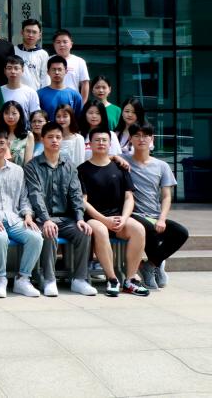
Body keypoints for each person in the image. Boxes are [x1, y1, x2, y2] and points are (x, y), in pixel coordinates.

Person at [24, 122, 96, 297]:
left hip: (66, 218)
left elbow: (76, 194)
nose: (54, 140)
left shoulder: (69, 166)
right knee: (50, 231)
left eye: (58, 137)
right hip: (41, 219)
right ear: (42, 139)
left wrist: (80, 218)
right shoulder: (32, 166)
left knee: (84, 231)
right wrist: (46, 219)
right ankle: (49, 279)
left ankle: (79, 279)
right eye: (50, 137)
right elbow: (35, 195)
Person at [78, 128, 149, 297]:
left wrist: (124, 218)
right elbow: (83, 201)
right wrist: (104, 220)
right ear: (90, 144)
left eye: (104, 140)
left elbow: (129, 197)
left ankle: (130, 280)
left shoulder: (120, 167)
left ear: (110, 144)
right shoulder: (82, 170)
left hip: (118, 217)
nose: (101, 143)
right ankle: (112, 279)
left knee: (139, 229)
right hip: (94, 219)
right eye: (97, 140)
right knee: (101, 230)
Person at [0, 131, 43, 298]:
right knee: (0, 237)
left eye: (1, 143)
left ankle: (23, 279)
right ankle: (0, 278)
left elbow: (24, 198)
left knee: (36, 237)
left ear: (8, 145)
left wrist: (28, 216)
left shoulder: (18, 171)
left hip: (14, 219)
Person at [126, 123, 190, 290]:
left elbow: (166, 196)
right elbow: (105, 159)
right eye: (137, 135)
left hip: (154, 215)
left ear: (152, 139)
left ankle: (150, 265)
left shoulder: (162, 166)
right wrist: (115, 158)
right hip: (133, 214)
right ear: (130, 139)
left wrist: (162, 218)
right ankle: (155, 266)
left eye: (145, 135)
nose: (141, 139)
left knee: (181, 232)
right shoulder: (123, 160)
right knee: (150, 228)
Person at [52, 29, 90, 101]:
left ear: (71, 44)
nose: (62, 45)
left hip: (72, 101)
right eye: (58, 42)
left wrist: (81, 104)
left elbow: (85, 84)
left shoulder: (79, 61)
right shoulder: (48, 60)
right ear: (54, 45)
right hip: (51, 100)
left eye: (65, 42)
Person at [0, 101, 35, 167]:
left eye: (14, 113)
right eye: (6, 113)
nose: (10, 116)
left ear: (20, 114)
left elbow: (28, 163)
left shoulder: (28, 135)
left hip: (21, 172)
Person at [14, 19, 49, 91]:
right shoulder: (13, 50)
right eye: (28, 31)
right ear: (22, 32)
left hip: (36, 94)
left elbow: (45, 78)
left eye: (34, 32)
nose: (30, 35)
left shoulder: (43, 54)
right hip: (15, 93)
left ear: (39, 35)